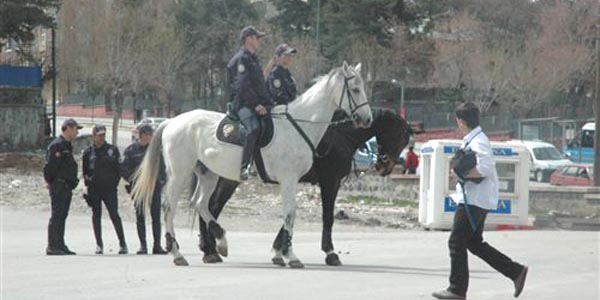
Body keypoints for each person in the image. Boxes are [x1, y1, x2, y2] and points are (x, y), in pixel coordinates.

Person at [432, 102, 528, 300]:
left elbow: (484, 167)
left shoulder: (479, 141)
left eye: (457, 120)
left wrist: (463, 175)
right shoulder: (475, 139)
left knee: (456, 242)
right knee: (474, 244)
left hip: (473, 201)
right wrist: (460, 173)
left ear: (461, 121)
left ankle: (457, 290)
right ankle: (516, 271)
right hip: (476, 200)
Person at [226, 25, 273, 181]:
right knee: (253, 129)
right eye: (256, 37)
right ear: (248, 39)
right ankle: (244, 166)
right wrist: (256, 105)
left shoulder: (253, 58)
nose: (258, 40)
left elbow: (259, 85)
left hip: (254, 103)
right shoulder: (242, 59)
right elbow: (243, 86)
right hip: (242, 104)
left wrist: (268, 103)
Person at [121, 124, 167, 255]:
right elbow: (124, 169)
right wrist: (135, 181)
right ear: (142, 135)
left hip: (154, 187)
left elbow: (163, 168)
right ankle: (143, 246)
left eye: (151, 135)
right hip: (139, 188)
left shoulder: (156, 150)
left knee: (156, 217)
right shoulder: (131, 150)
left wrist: (162, 181)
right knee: (140, 217)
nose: (150, 137)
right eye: (148, 134)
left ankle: (157, 245)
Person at [82, 125, 128, 255]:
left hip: (109, 189)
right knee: (96, 216)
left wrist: (114, 183)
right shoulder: (88, 152)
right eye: (99, 135)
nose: (101, 137)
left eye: (103, 135)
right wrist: (87, 184)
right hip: (94, 189)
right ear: (94, 136)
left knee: (114, 215)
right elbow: (85, 171)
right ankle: (99, 244)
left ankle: (123, 243)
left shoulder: (112, 150)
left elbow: (119, 169)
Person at [43, 118, 82, 255]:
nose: (77, 132)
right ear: (68, 128)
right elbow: (50, 167)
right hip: (59, 185)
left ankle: (60, 244)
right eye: (76, 129)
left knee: (62, 215)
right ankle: (52, 245)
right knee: (57, 215)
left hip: (66, 186)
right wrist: (51, 182)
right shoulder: (57, 145)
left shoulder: (66, 145)